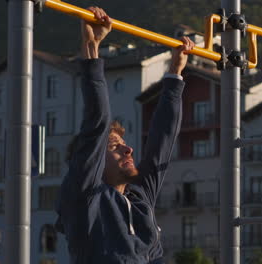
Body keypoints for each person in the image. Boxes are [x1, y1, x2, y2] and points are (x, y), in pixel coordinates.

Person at [55, 7, 195, 263]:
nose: (128, 150)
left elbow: (161, 142)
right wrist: (91, 47)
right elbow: (97, 123)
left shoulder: (139, 195)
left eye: (124, 144)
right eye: (115, 146)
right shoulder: (86, 195)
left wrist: (175, 71)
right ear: (94, 161)